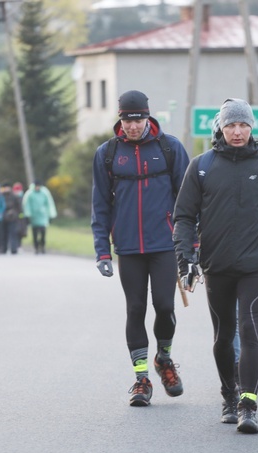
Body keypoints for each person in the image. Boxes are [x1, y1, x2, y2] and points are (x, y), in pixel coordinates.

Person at [172, 98, 258, 434]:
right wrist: (186, 260)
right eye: (231, 125)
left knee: (250, 331)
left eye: (243, 125)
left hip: (254, 267)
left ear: (252, 128)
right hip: (217, 266)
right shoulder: (202, 166)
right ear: (220, 127)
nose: (237, 132)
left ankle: (248, 404)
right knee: (224, 337)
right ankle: (228, 394)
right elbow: (183, 217)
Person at [92, 90, 190, 407]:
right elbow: (100, 205)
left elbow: (188, 201)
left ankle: (164, 358)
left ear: (148, 117)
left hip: (164, 245)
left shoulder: (170, 148)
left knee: (164, 306)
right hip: (128, 247)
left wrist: (191, 243)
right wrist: (102, 250)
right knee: (135, 309)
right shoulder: (107, 154)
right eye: (127, 119)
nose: (133, 126)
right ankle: (141, 379)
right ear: (120, 119)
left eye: (138, 119)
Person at [23, 181, 57, 255]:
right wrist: (28, 215)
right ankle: (36, 247)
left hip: (42, 215)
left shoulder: (45, 193)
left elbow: (49, 204)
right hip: (34, 216)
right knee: (35, 233)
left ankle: (42, 246)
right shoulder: (30, 194)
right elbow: (27, 205)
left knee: (43, 232)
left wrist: (51, 214)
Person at [1, 182, 23, 254]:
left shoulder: (14, 196)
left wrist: (16, 214)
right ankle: (4, 248)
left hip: (13, 217)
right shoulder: (1, 196)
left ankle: (14, 249)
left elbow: (19, 207)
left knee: (13, 234)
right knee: (4, 234)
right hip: (3, 217)